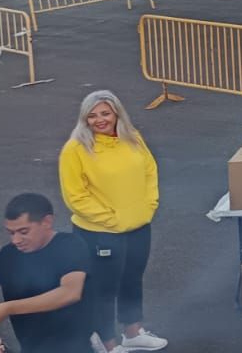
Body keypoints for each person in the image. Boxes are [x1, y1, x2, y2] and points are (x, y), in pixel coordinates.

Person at [58, 92, 166, 353]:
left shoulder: (133, 138)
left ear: (117, 113)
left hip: (138, 226)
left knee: (132, 279)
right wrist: (111, 219)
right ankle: (108, 342)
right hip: (100, 232)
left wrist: (148, 206)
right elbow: (75, 196)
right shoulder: (75, 149)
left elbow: (150, 171)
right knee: (103, 288)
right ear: (84, 119)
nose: (99, 120)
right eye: (92, 115)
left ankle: (132, 332)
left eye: (105, 113)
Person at [0, 194, 94, 353]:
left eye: (23, 231)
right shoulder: (9, 254)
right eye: (11, 233)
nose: (16, 240)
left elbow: (70, 292)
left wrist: (8, 308)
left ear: (47, 222)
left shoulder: (70, 245)